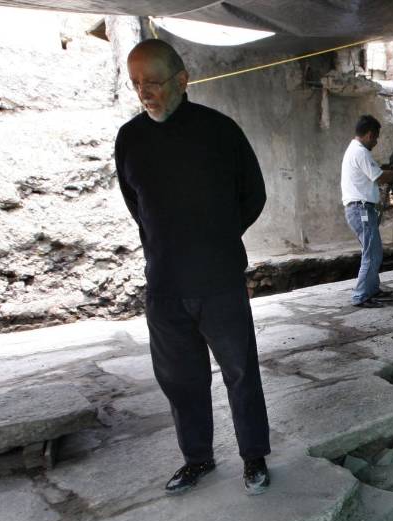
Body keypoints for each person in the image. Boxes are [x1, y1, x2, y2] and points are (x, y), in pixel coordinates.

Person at [115, 38, 271, 496]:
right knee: (180, 380)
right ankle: (197, 458)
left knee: (240, 372)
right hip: (164, 284)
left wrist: (216, 241)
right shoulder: (130, 138)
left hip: (218, 279)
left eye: (154, 82)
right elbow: (136, 204)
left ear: (182, 80)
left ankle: (254, 457)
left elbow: (254, 196)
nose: (146, 93)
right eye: (137, 83)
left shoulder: (220, 132)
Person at [341, 115, 393, 309]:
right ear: (369, 135)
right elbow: (379, 177)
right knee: (372, 253)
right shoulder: (360, 152)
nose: (376, 142)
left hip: (360, 209)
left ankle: (372, 288)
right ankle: (361, 295)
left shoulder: (356, 151)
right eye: (376, 138)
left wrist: (391, 171)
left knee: (372, 251)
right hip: (361, 209)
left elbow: (374, 173)